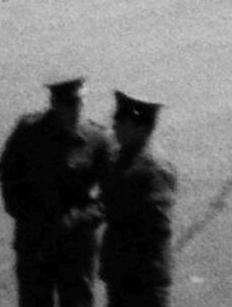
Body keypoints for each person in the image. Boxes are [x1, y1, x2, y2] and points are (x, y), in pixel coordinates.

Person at [0, 78, 115, 307]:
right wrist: (23, 212)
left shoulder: (97, 139)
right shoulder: (29, 133)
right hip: (35, 243)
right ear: (54, 104)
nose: (75, 110)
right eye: (68, 105)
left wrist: (79, 219)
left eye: (79, 103)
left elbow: (111, 195)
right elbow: (7, 171)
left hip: (77, 246)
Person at [100, 91, 176, 307]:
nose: (114, 126)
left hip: (143, 282)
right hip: (124, 276)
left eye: (121, 121)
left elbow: (156, 227)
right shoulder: (126, 157)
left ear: (140, 127)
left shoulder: (152, 169)